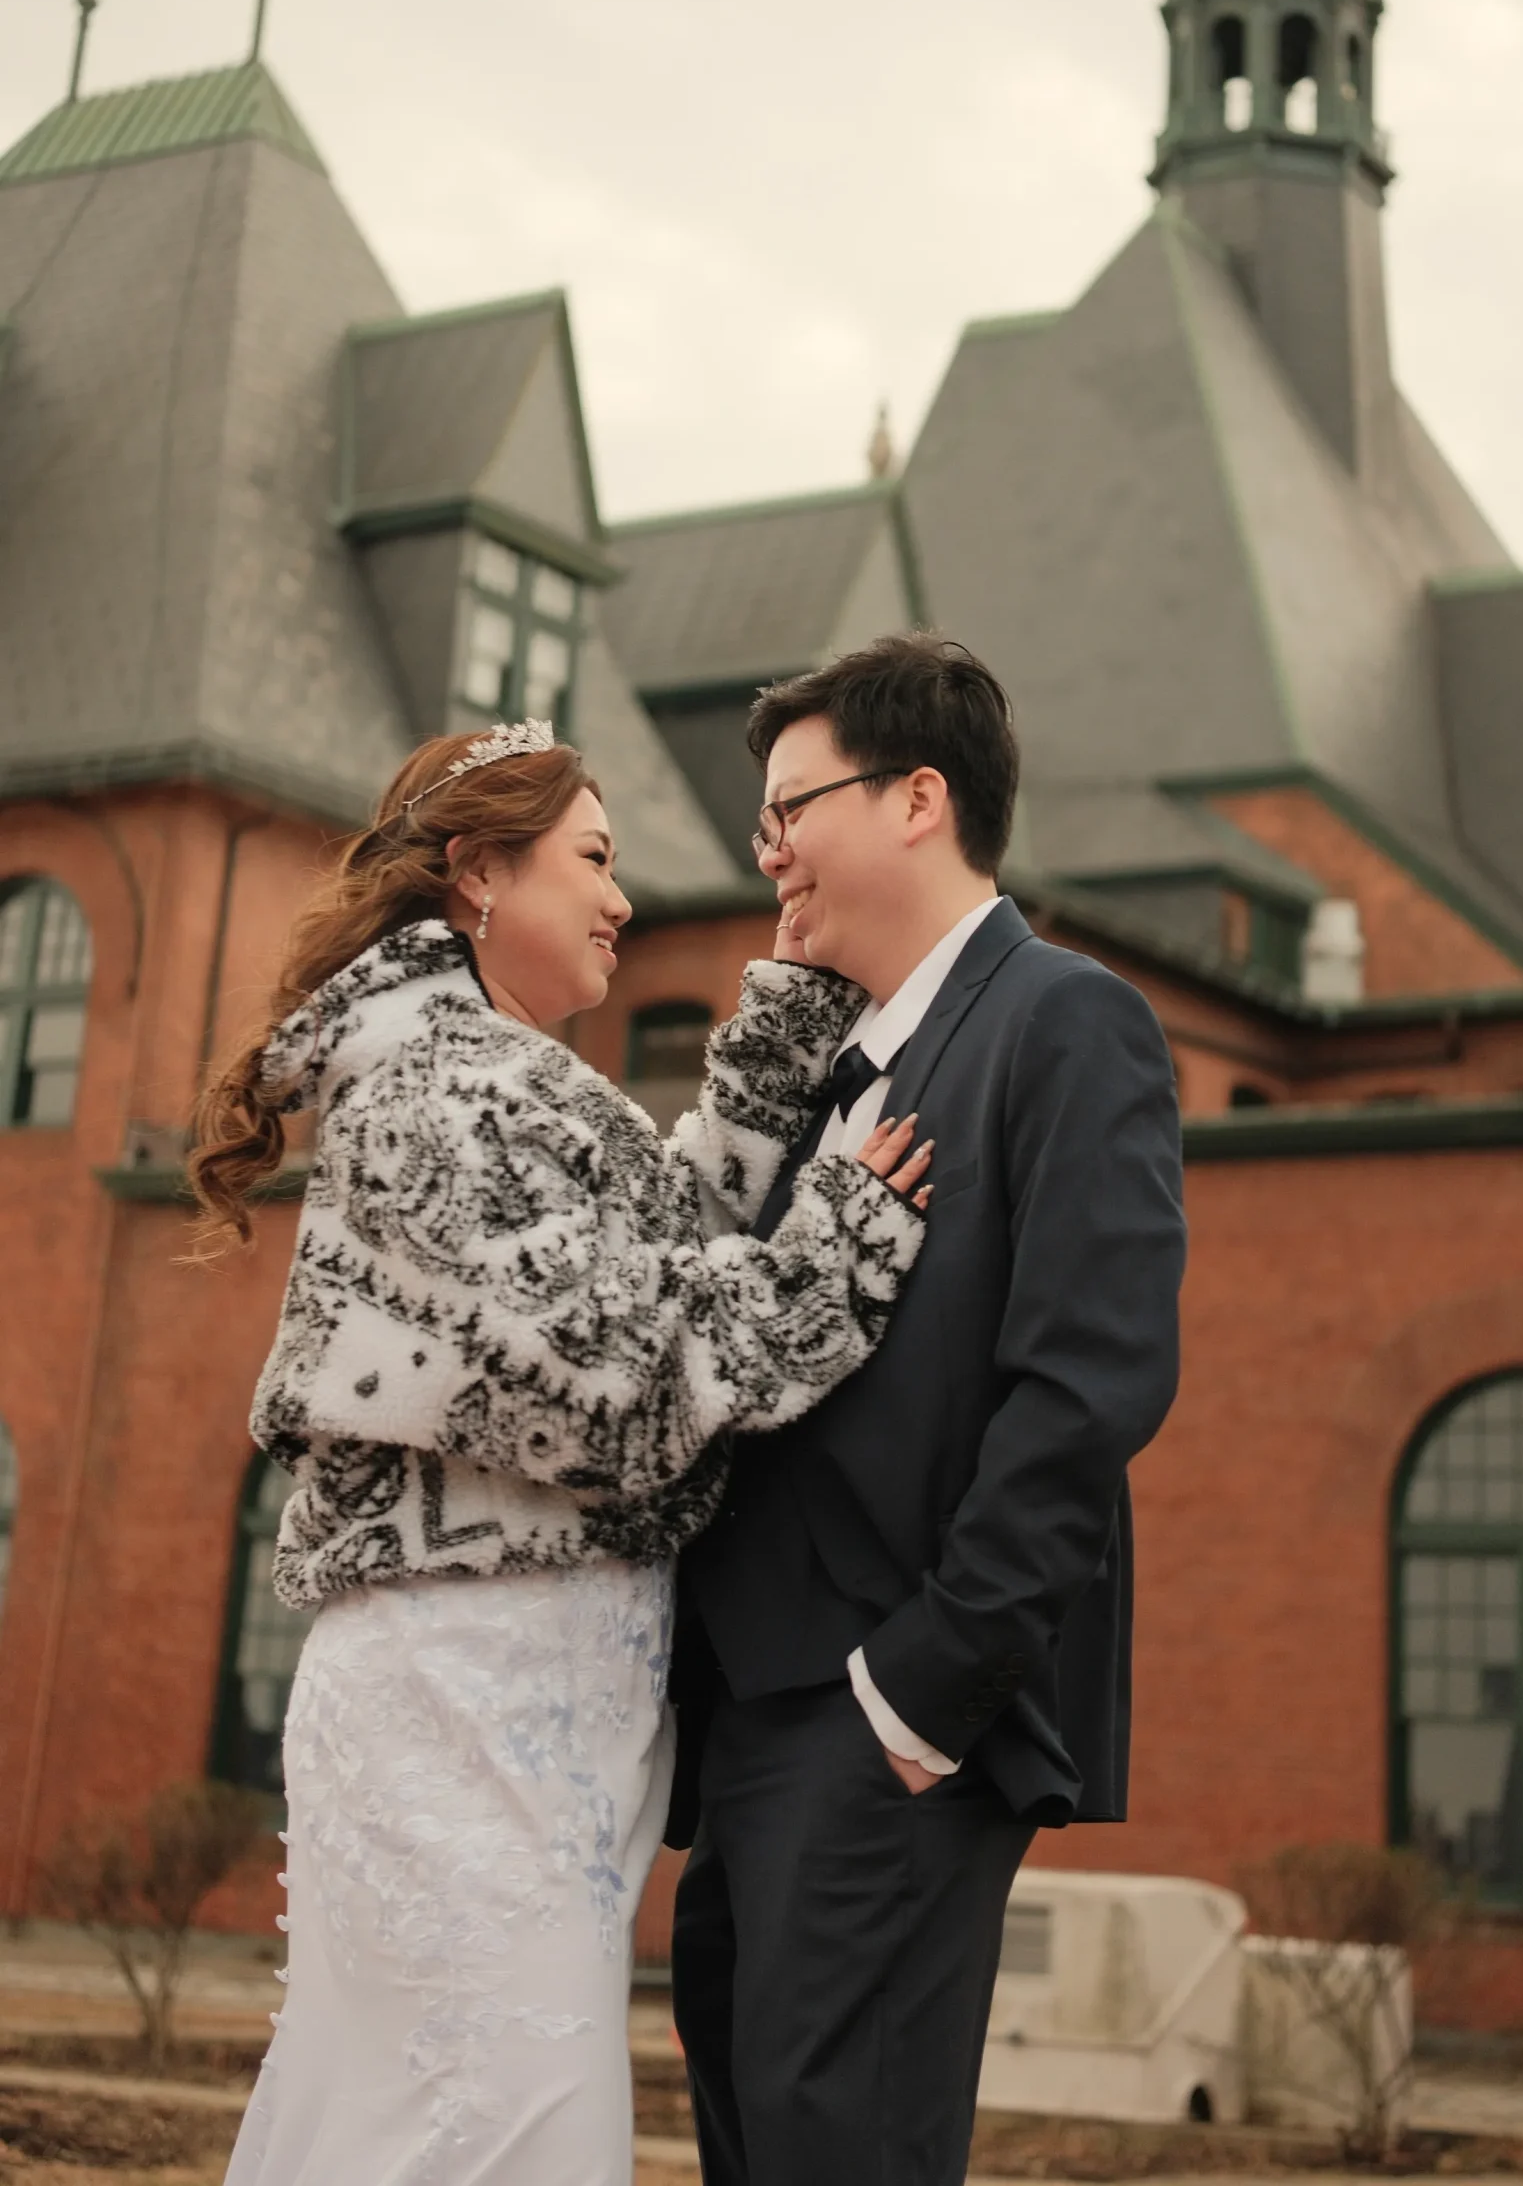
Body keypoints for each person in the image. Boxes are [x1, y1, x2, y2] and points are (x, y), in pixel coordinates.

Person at [188, 719, 932, 2186]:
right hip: (467, 1701)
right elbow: (611, 1386)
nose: (621, 899)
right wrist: (836, 1252)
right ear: (479, 874)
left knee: (443, 2117)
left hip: (520, 1699)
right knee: (496, 2125)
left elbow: (642, 1258)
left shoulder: (495, 1075)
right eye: (593, 858)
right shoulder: (438, 1093)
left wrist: (787, 1027)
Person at [670, 633, 1186, 2186]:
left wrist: (917, 1698)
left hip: (887, 1727)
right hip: (751, 1726)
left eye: (789, 808)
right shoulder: (824, 1075)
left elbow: (1088, 1385)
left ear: (916, 799)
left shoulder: (1064, 1021)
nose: (765, 849)